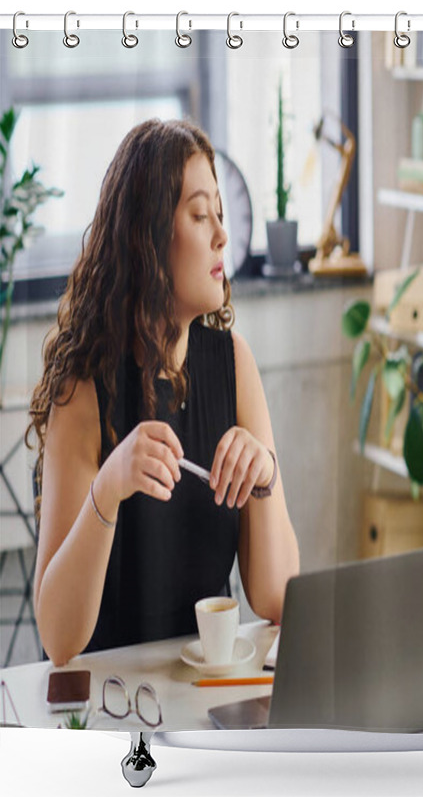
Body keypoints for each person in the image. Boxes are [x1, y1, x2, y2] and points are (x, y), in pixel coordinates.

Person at [26, 118, 300, 666]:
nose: (221, 234)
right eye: (200, 215)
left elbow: (277, 599)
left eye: (219, 214)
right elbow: (58, 639)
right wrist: (108, 488)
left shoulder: (234, 363)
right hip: (116, 707)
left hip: (210, 691)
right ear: (148, 236)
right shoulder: (84, 390)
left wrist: (265, 478)